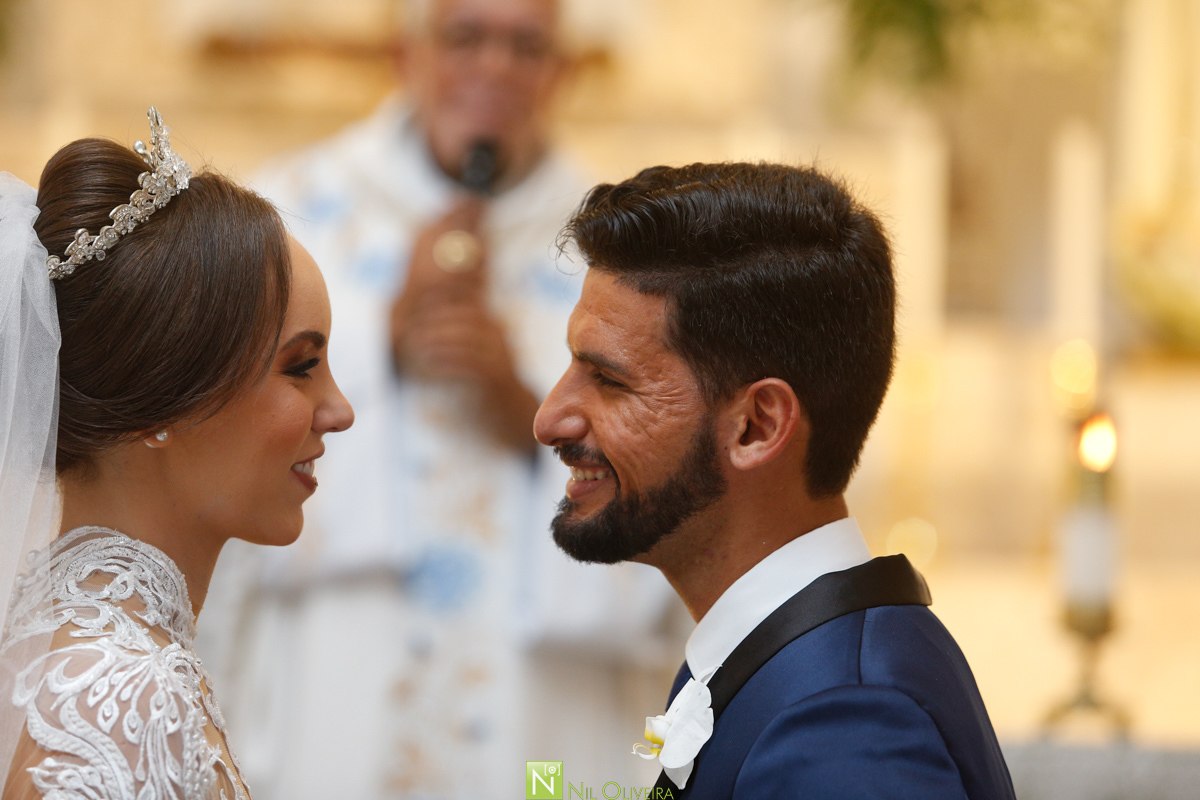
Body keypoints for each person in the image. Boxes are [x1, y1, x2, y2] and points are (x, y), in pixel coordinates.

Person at [194, 0, 673, 798]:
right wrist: (377, 345)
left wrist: (525, 407)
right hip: (342, 663)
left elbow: (677, 462)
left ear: (563, 71)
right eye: (465, 37)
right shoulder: (287, 215)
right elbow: (212, 424)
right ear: (403, 56)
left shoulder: (625, 244)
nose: (494, 68)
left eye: (526, 46)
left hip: (543, 697)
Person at [533, 162, 1018, 799]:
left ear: (757, 427)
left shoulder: (843, 731)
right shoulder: (781, 661)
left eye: (611, 381)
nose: (549, 419)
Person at [0, 108, 354, 799]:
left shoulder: (65, 650)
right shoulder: (126, 697)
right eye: (301, 366)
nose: (340, 410)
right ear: (167, 401)